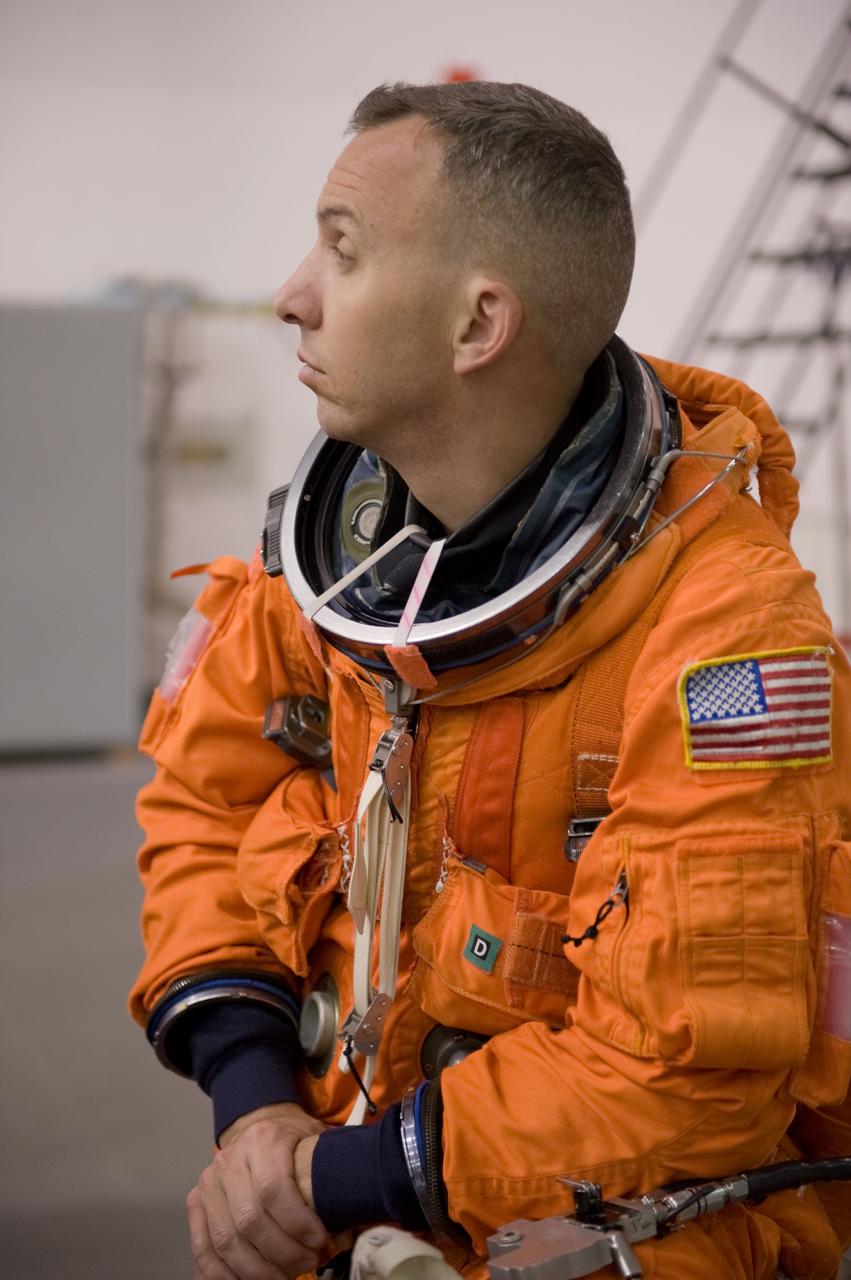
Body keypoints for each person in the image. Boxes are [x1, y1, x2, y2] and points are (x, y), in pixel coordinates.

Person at [130, 81, 851, 1280]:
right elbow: (201, 811)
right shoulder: (313, 569)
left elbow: (681, 1071)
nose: (291, 293)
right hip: (327, 1185)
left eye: (341, 250)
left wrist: (321, 1179)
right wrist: (255, 1104)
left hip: (600, 1223)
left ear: (477, 327)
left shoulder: (728, 630)